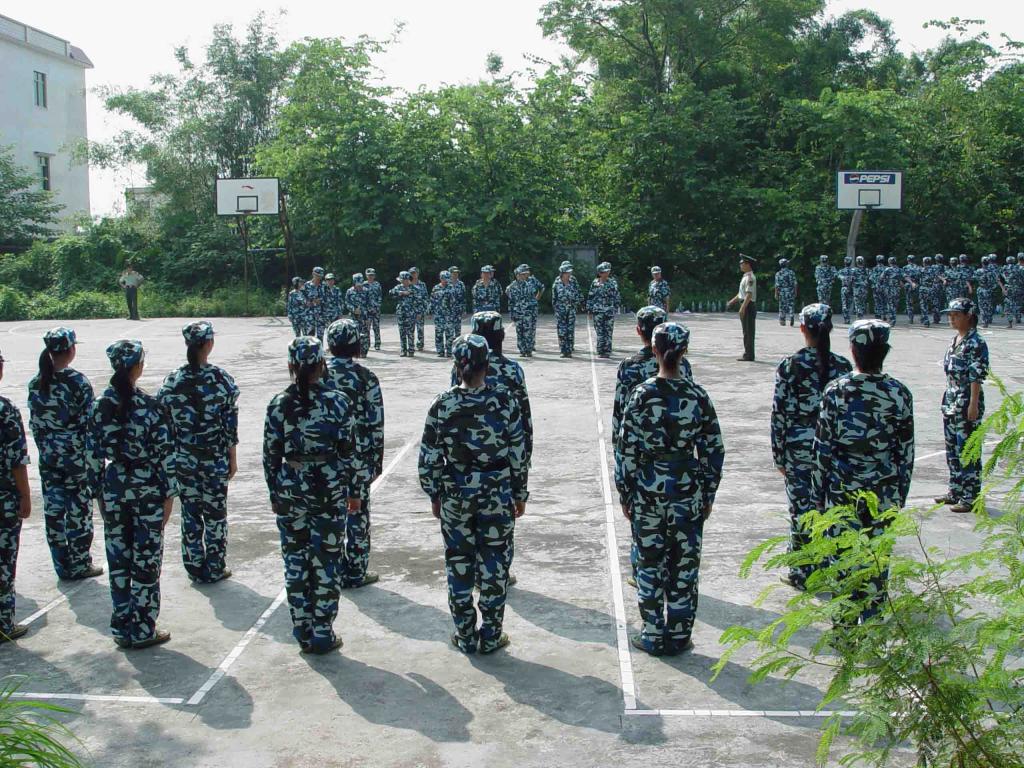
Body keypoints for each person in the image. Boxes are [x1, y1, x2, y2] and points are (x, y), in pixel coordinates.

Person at [615, 322, 724, 656]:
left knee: (649, 564)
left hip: (648, 491)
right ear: (684, 351)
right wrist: (707, 493)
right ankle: (678, 635)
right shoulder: (697, 395)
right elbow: (713, 451)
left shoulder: (641, 395)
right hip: (687, 490)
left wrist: (626, 493)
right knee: (683, 565)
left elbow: (626, 450)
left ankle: (652, 633)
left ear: (654, 350)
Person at [419, 334, 528, 654]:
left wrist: (435, 494)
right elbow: (518, 453)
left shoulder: (442, 404)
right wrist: (519, 493)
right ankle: (491, 634)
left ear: (456, 366)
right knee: (495, 564)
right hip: (496, 493)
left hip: (456, 494)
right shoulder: (504, 401)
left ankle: (465, 634)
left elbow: (428, 458)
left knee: (459, 563)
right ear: (487, 365)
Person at [263, 336, 366, 654]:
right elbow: (350, 452)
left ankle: (302, 629)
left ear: (291, 366)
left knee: (295, 560)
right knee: (327, 560)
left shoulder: (279, 403)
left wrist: (275, 492)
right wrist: (356, 491)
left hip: (291, 487)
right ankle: (322, 630)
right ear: (322, 364)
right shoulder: (338, 402)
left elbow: (270, 455)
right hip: (328, 488)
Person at [811, 320, 914, 623]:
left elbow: (822, 448)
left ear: (853, 350)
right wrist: (900, 495)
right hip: (884, 491)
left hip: (842, 490)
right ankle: (872, 626)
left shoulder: (836, 391)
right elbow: (906, 452)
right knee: (876, 563)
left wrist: (818, 495)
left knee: (842, 561)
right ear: (885, 350)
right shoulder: (899, 393)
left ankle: (844, 631)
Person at [90, 340, 177, 649]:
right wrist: (169, 496)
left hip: (114, 488)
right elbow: (166, 457)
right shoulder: (151, 406)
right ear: (138, 366)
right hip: (148, 490)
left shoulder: (100, 405)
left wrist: (98, 493)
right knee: (146, 561)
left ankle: (121, 625)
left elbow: (92, 456)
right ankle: (142, 628)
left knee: (119, 561)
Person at [770, 304, 852, 590]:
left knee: (802, 510)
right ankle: (834, 566)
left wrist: (778, 454)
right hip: (835, 449)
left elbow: (779, 413)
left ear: (803, 328)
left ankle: (803, 572)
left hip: (799, 448)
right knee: (833, 509)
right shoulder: (843, 366)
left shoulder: (790, 365)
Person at [449, 311, 533, 587]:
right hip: (502, 462)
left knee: (466, 523)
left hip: (464, 462)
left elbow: (453, 412)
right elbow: (524, 420)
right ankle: (498, 573)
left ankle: (473, 572)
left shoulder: (459, 368)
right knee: (501, 523)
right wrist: (524, 462)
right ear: (501, 337)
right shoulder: (512, 370)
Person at [613, 306, 693, 589]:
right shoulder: (684, 366)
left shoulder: (630, 366)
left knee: (643, 521)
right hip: (679, 458)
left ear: (639, 331)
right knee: (677, 527)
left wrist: (620, 460)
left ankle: (643, 572)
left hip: (642, 457)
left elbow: (620, 416)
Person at [157, 321, 239, 585]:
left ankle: (194, 565)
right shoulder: (221, 379)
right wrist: (232, 458)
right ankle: (214, 566)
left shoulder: (173, 380)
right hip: (214, 457)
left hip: (184, 457)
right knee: (215, 514)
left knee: (190, 512)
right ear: (209, 344)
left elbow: (164, 424)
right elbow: (230, 426)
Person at [27, 327, 103, 581]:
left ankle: (61, 564)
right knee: (78, 512)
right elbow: (90, 425)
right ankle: (80, 564)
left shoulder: (37, 382)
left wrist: (50, 448)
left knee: (54, 512)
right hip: (75, 460)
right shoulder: (77, 382)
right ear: (70, 350)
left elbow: (36, 425)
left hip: (49, 458)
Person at [324, 319, 384, 588]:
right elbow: (376, 423)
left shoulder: (319, 374)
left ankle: (332, 569)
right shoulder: (366, 377)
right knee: (358, 514)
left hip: (327, 458)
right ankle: (356, 571)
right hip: (358, 458)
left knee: (329, 513)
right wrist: (376, 462)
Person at [935, 298, 989, 514]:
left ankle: (970, 497)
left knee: (967, 450)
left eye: (956, 315)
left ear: (969, 316)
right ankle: (955, 490)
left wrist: (973, 404)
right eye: (950, 315)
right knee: (952, 449)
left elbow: (976, 376)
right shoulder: (956, 340)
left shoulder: (976, 342)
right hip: (951, 401)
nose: (952, 318)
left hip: (967, 401)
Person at [0, 346, 31, 643]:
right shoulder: (5, 410)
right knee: (3, 562)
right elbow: (16, 461)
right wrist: (25, 496)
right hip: (4, 499)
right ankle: (3, 624)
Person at [506, 265, 543, 357]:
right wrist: (511, 314)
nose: (523, 276)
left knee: (528, 331)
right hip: (517, 312)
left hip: (527, 312)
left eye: (524, 274)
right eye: (521, 274)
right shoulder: (512, 287)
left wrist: (534, 303)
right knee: (519, 332)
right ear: (517, 275)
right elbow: (510, 301)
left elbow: (534, 295)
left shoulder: (529, 285)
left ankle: (529, 350)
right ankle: (522, 350)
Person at [726, 254, 757, 361]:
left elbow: (749, 295)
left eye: (742, 263)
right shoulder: (745, 277)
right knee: (746, 331)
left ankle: (749, 355)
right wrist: (731, 302)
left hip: (748, 306)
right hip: (745, 304)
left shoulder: (750, 278)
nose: (740, 265)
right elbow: (741, 294)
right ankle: (748, 353)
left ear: (748, 264)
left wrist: (742, 308)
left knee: (748, 332)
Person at [587, 262, 620, 358]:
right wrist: (589, 310)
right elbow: (590, 296)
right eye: (604, 272)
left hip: (609, 311)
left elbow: (617, 296)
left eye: (607, 271)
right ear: (600, 273)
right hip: (597, 311)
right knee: (599, 331)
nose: (606, 273)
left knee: (608, 331)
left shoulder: (612, 283)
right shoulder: (595, 283)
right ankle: (600, 350)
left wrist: (616, 307)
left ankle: (607, 350)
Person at [552, 264, 582, 358]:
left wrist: (576, 304)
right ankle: (563, 350)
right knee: (562, 331)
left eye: (570, 272)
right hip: (560, 310)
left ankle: (569, 351)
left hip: (571, 310)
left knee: (570, 330)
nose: (569, 274)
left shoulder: (573, 282)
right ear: (562, 273)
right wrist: (556, 310)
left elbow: (578, 295)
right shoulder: (556, 284)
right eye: (567, 273)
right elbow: (554, 299)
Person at [390, 271, 418, 357]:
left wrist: (419, 313)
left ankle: (411, 350)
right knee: (402, 332)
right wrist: (401, 293)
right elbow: (391, 292)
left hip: (411, 313)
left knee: (410, 332)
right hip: (401, 313)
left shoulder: (414, 288)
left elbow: (419, 300)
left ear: (408, 279)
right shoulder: (398, 287)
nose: (403, 282)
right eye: (402, 280)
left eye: (404, 280)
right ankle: (403, 350)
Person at [431, 271, 456, 358]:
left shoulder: (451, 288)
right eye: (445, 279)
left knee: (449, 334)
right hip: (438, 315)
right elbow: (432, 300)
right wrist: (430, 311)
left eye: (447, 279)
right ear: (441, 278)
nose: (446, 281)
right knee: (439, 334)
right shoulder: (436, 288)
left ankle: (449, 351)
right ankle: (440, 351)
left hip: (448, 315)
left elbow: (454, 302)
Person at [345, 274, 371, 357]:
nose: (359, 286)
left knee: (365, 335)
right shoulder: (349, 291)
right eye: (357, 284)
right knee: (354, 334)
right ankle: (355, 352)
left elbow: (370, 305)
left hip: (364, 317)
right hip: (354, 317)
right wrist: (353, 309)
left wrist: (368, 318)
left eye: (360, 284)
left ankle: (364, 352)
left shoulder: (366, 291)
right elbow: (347, 303)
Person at [975, 255, 999, 328]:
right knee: (989, 305)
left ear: (982, 262)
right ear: (989, 263)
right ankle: (988, 319)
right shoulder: (992, 272)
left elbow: (974, 279)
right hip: (989, 289)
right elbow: (995, 281)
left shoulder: (978, 271)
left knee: (981, 306)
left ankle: (984, 321)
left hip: (981, 289)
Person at [304, 267, 328, 340]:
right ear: (313, 274)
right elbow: (302, 298)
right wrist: (308, 302)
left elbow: (328, 298)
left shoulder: (324, 286)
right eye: (317, 276)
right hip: (310, 314)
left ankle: (320, 347)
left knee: (320, 336)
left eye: (320, 276)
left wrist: (320, 300)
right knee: (310, 336)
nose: (319, 278)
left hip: (321, 314)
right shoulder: (306, 285)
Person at [409, 267, 429, 351]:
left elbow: (425, 298)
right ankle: (411, 345)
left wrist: (425, 310)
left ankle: (420, 345)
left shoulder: (422, 284)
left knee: (420, 328)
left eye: (415, 273)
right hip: (409, 310)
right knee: (410, 329)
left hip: (419, 310)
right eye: (412, 273)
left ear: (418, 274)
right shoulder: (407, 284)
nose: (414, 274)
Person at [774, 258, 797, 326]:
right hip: (790, 291)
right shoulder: (791, 272)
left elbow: (777, 285)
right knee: (791, 305)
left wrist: (776, 293)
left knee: (782, 306)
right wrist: (795, 292)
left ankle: (782, 320)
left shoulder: (778, 273)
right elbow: (795, 283)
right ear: (786, 264)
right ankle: (791, 315)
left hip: (782, 291)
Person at [364, 268, 383, 350]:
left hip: (376, 309)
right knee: (366, 327)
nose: (371, 277)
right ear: (366, 276)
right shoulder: (363, 285)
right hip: (367, 310)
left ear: (374, 276)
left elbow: (380, 296)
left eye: (372, 275)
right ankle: (367, 344)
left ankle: (377, 343)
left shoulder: (377, 284)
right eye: (369, 275)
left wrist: (377, 306)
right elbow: (362, 298)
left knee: (376, 327)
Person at [918, 256, 938, 328]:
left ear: (923, 263)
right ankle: (936, 318)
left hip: (923, 289)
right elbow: (937, 279)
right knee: (934, 304)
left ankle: (926, 321)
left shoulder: (921, 270)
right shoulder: (934, 270)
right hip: (931, 288)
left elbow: (916, 277)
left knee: (923, 305)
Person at [882, 256, 902, 325]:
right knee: (895, 304)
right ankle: (893, 318)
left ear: (889, 262)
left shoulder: (887, 269)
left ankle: (892, 319)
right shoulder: (899, 269)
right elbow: (902, 278)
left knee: (890, 304)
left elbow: (881, 277)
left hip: (889, 290)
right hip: (896, 289)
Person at [448, 266, 467, 337]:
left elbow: (463, 298)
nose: (455, 274)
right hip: (448, 310)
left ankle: (457, 341)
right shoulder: (446, 283)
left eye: (457, 273)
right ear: (450, 273)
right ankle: (449, 342)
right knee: (449, 329)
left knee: (458, 329)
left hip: (458, 310)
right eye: (454, 273)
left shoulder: (461, 284)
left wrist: (464, 310)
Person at [902, 255, 921, 325]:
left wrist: (911, 283)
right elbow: (921, 277)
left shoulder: (905, 267)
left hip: (909, 285)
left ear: (908, 260)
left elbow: (905, 277)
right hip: (917, 285)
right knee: (919, 301)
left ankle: (911, 318)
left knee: (909, 302)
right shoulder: (918, 267)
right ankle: (923, 317)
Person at [837, 256, 855, 324]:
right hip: (851, 288)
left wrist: (844, 278)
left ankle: (846, 319)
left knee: (844, 304)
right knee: (849, 304)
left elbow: (838, 276)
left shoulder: (841, 271)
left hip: (844, 288)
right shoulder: (854, 271)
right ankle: (848, 318)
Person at [869, 254, 887, 319]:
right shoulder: (886, 268)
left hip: (876, 287)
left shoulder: (874, 269)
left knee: (877, 301)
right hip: (884, 287)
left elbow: (870, 278)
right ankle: (884, 314)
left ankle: (878, 314)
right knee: (884, 301)